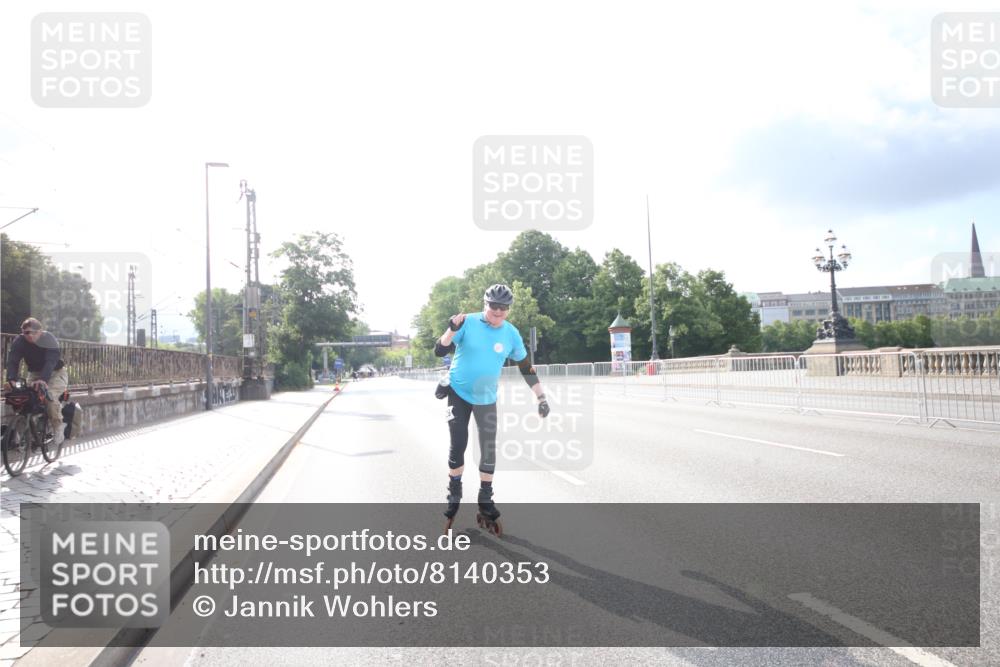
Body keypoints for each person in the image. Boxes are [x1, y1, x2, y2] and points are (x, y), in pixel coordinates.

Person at [435, 284, 550, 533]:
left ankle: (485, 500)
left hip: (486, 398)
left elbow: (525, 367)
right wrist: (451, 330)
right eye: (493, 306)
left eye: (503, 308)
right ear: (485, 304)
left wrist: (541, 397)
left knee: (488, 448)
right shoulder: (467, 322)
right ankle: (454, 495)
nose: (498, 311)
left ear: (508, 309)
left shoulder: (511, 333)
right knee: (459, 444)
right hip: (458, 393)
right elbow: (439, 349)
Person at [5, 317, 68, 449]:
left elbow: (50, 361)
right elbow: (13, 360)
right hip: (34, 373)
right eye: (25, 332)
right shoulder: (20, 341)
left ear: (40, 331)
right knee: (24, 398)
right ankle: (23, 433)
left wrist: (43, 380)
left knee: (49, 396)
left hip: (55, 373)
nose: (29, 335)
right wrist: (11, 378)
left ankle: (58, 427)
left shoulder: (49, 339)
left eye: (32, 332)